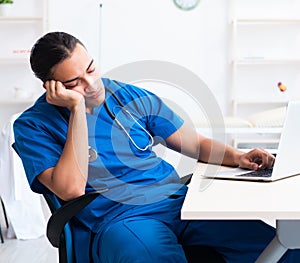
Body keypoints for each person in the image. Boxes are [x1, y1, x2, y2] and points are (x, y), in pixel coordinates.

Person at [13, 32, 299, 263]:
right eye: (75, 83)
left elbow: (195, 143)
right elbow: (71, 189)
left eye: (91, 69)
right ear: (51, 87)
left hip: (178, 203)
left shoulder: (126, 94)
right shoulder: (33, 126)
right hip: (121, 219)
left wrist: (239, 156)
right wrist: (77, 111)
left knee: (280, 247)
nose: (91, 85)